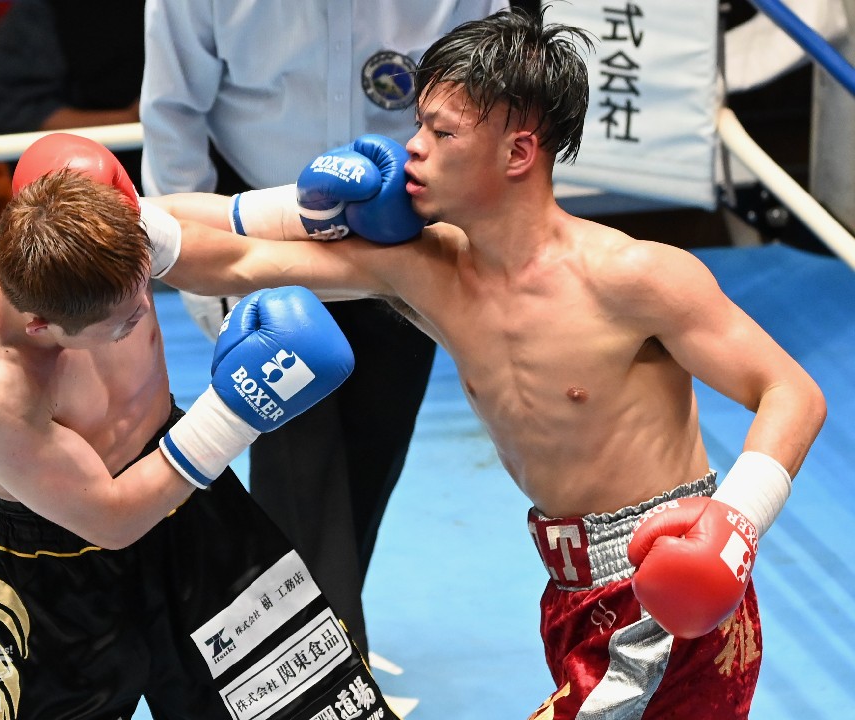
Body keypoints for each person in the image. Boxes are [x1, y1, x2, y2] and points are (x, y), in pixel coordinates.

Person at [139, 8, 826, 718]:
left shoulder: (634, 277)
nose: (412, 148)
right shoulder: (427, 269)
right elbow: (237, 255)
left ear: (517, 153)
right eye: (418, 125)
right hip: (568, 590)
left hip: (667, 590)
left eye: (441, 134)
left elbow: (791, 392)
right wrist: (125, 215)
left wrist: (733, 526)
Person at [0, 134, 401, 720]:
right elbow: (111, 519)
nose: (145, 311)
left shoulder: (94, 231)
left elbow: (210, 240)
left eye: (144, 292)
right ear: (42, 328)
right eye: (124, 323)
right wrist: (235, 410)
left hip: (193, 511)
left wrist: (313, 217)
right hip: (59, 565)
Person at [139, 0, 508, 661]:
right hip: (254, 223)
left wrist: (478, 241)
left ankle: (316, 640)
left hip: (411, 228)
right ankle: (321, 664)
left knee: (373, 455)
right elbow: (173, 116)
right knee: (296, 467)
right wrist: (201, 282)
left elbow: (492, 107)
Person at [0, 0, 144, 187]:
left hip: (153, 166)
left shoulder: (163, 9)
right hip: (69, 184)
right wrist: (130, 118)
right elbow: (16, 115)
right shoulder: (38, 13)